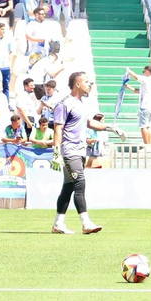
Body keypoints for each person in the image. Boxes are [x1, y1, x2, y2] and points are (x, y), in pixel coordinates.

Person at [49, 70, 123, 235]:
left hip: (81, 150)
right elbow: (58, 128)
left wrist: (111, 127)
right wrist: (56, 152)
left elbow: (90, 123)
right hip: (70, 150)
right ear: (77, 84)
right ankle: (86, 223)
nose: (90, 84)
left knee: (68, 187)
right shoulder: (64, 103)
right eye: (87, 82)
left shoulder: (81, 103)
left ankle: (58, 224)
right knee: (80, 183)